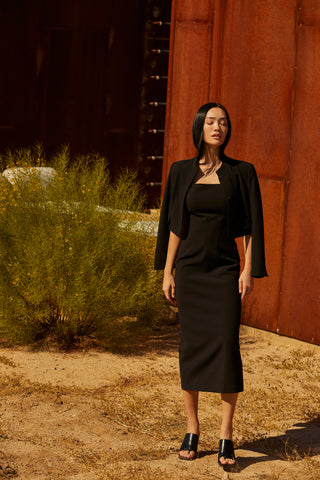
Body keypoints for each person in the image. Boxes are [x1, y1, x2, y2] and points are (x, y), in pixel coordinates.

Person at [154, 102, 267, 469]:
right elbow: (175, 224)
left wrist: (247, 270)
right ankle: (192, 428)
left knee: (225, 347)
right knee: (191, 347)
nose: (217, 127)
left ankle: (226, 434)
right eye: (210, 122)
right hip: (189, 270)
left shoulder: (241, 172)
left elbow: (249, 228)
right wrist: (168, 270)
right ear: (199, 127)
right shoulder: (181, 171)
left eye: (223, 122)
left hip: (223, 272)